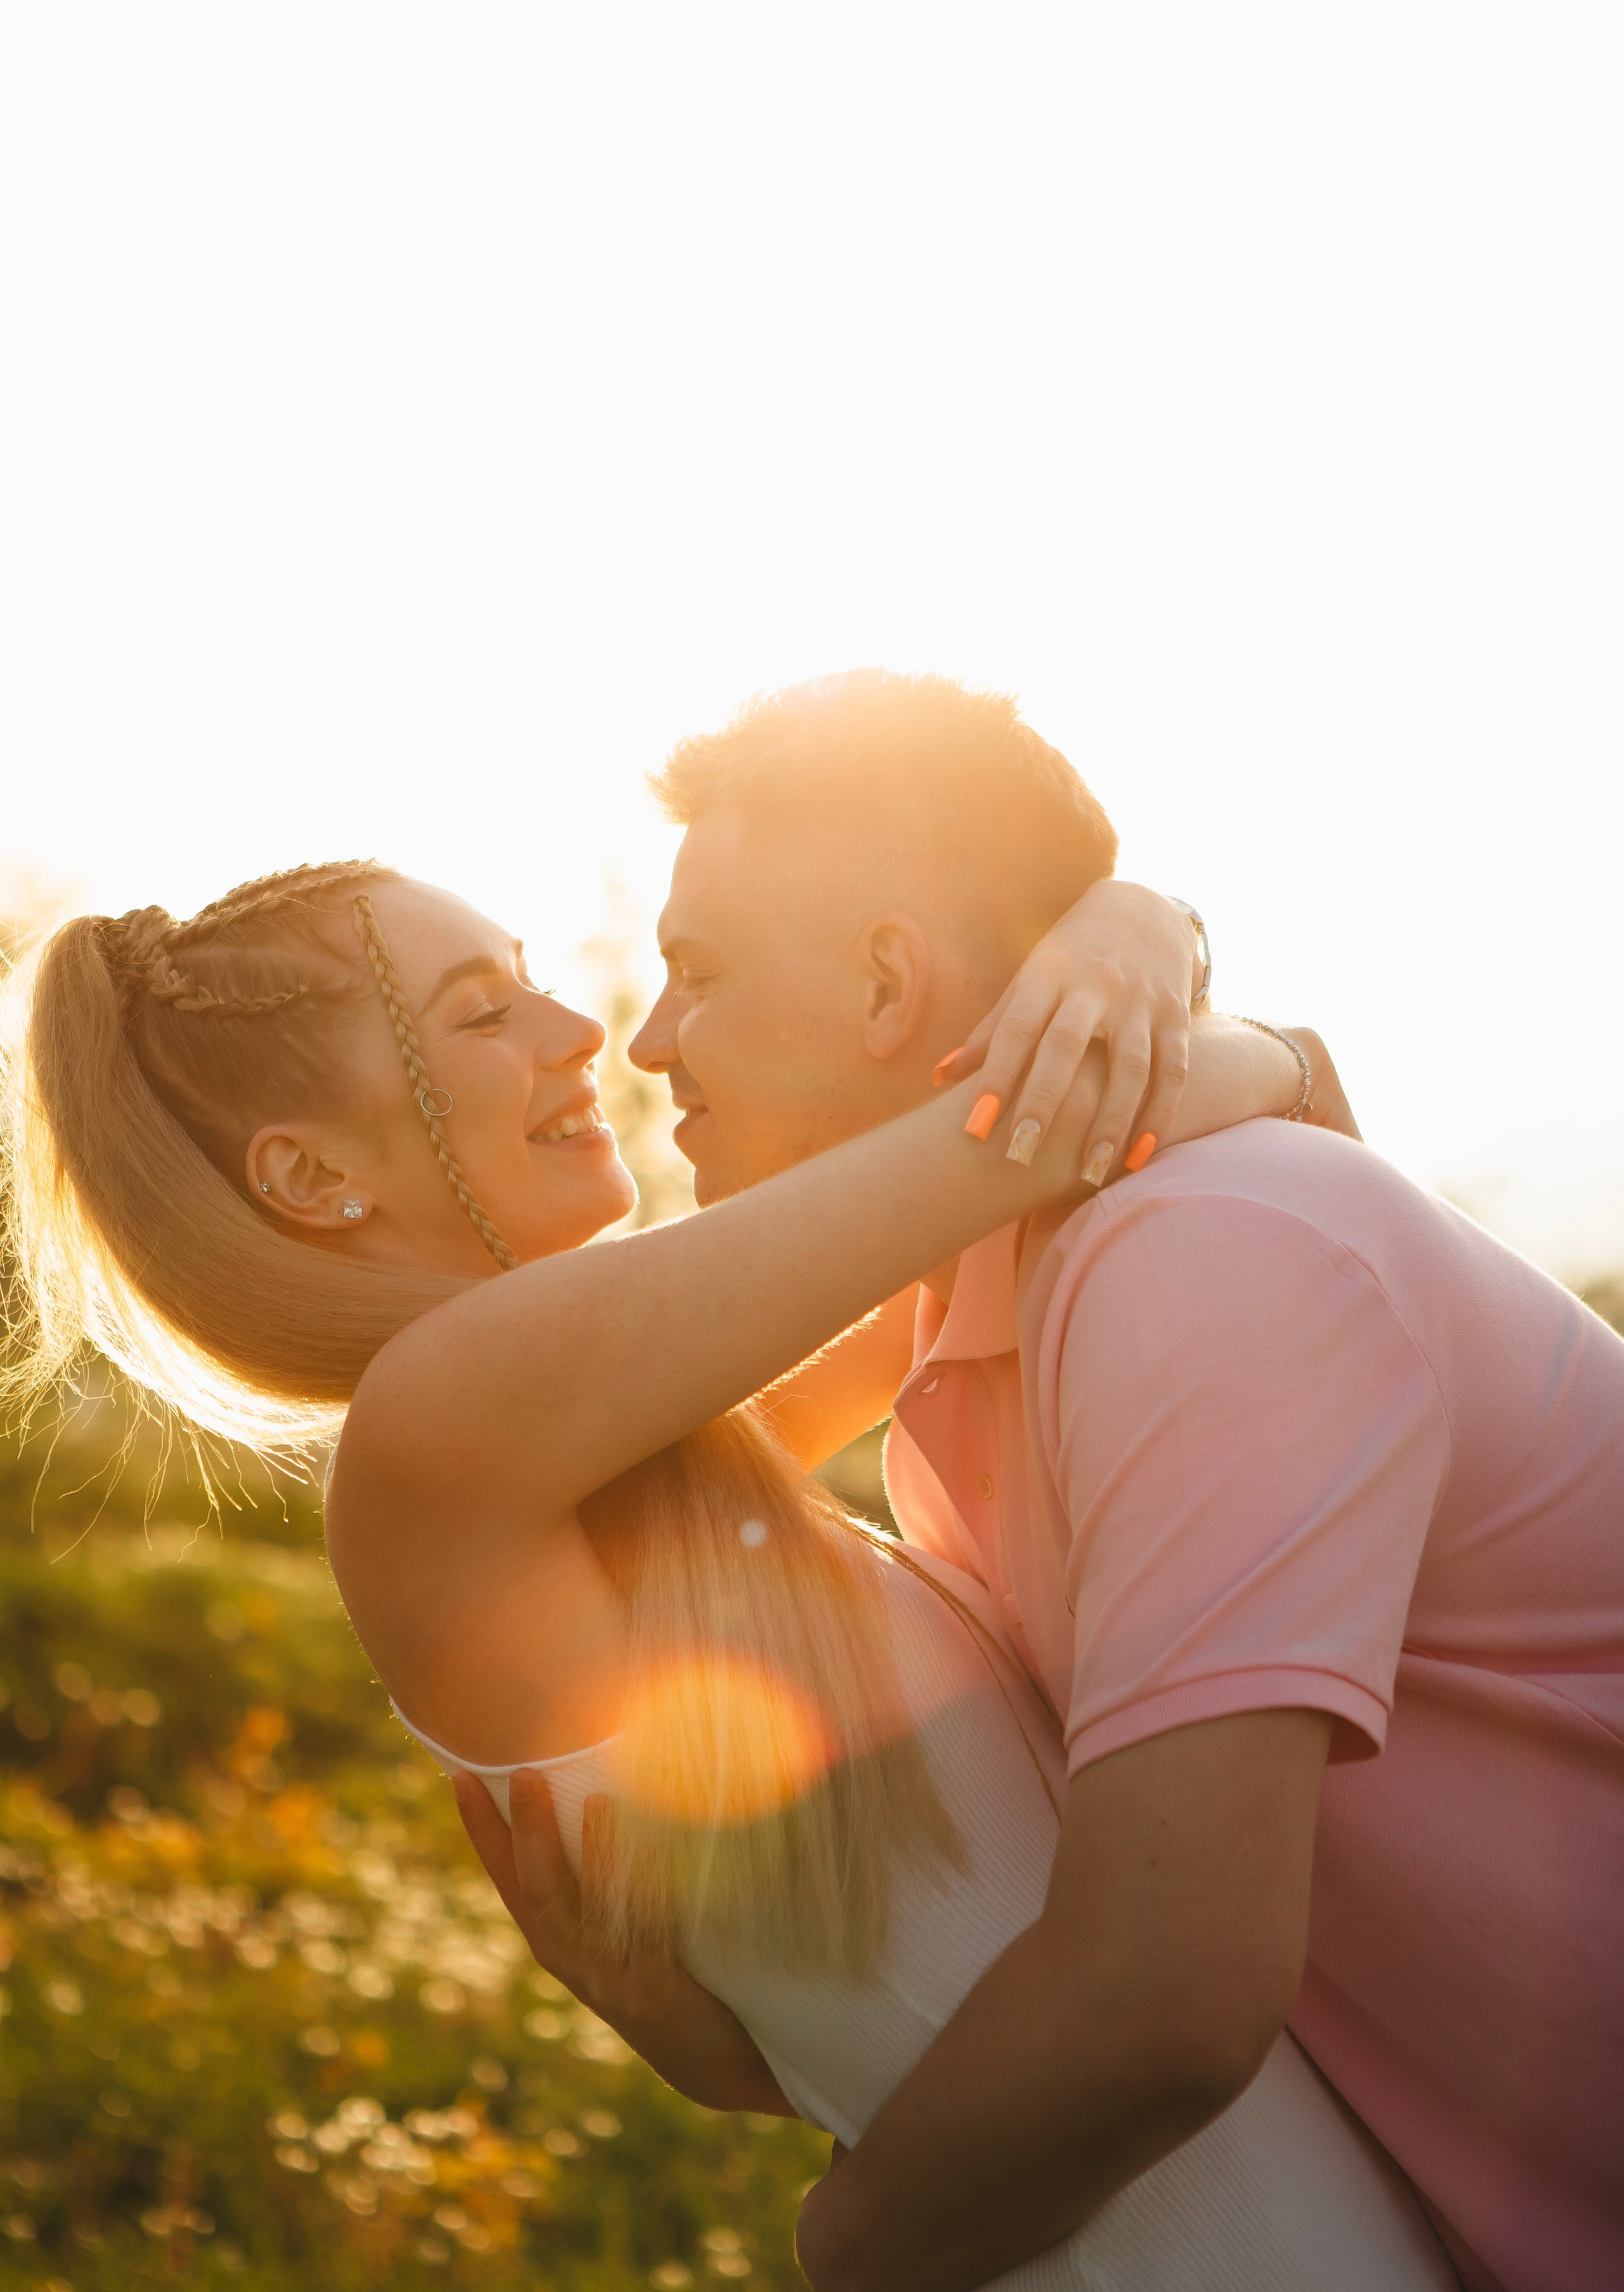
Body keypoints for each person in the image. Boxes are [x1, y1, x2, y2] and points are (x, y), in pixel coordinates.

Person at [0, 845, 1448, 2288]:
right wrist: (1193, 984)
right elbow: (1034, 1133)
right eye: (479, 1012)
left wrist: (1138, 940)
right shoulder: (437, 1424)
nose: (589, 1034)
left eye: (530, 981)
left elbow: (1016, 1174)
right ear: (312, 1173)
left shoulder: (654, 1463)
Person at [485, 669, 1614, 2292]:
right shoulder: (972, 1303)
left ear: (888, 980)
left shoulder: (1199, 1256)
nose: (651, 1041)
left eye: (697, 970)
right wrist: (706, 2023)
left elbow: (1160, 1997)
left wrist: (848, 2248)